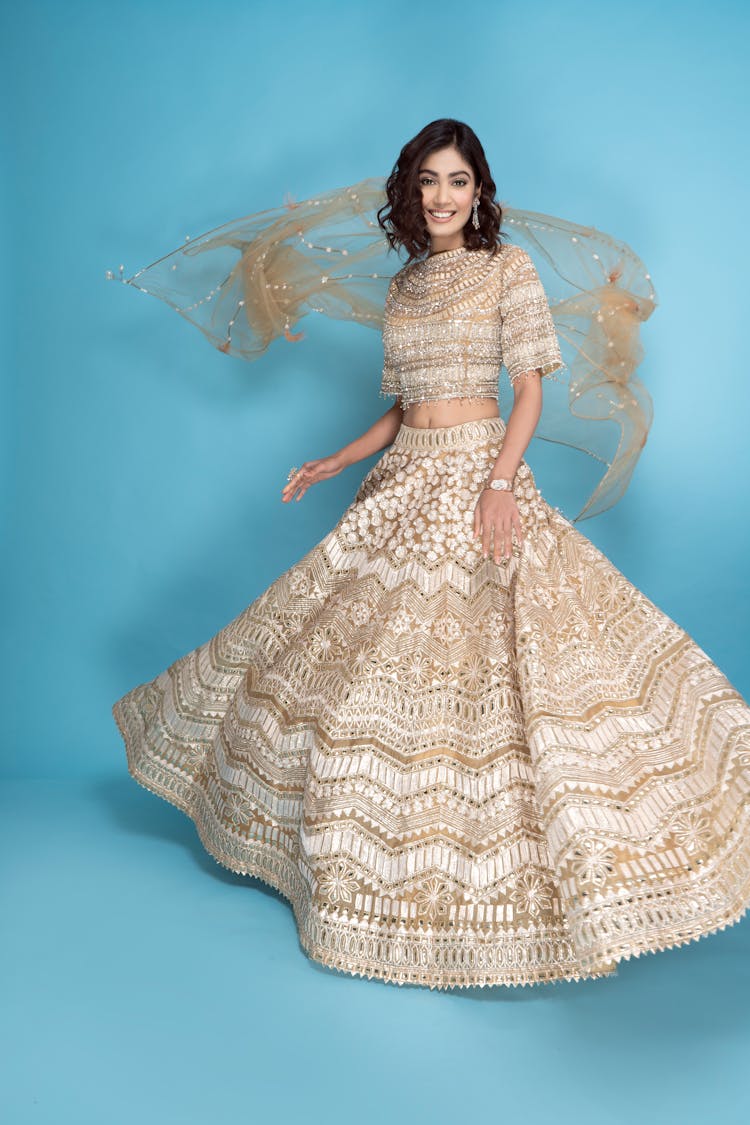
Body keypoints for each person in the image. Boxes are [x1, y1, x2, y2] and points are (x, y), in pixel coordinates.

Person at [113, 118, 750, 990]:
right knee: (363, 666)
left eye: (457, 180)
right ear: (410, 194)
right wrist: (341, 456)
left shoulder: (506, 270)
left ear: (480, 191)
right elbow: (405, 406)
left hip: (480, 474)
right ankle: (356, 875)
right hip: (404, 477)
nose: (442, 196)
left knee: (508, 665)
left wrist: (497, 484)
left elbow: (527, 392)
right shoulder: (406, 287)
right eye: (427, 182)